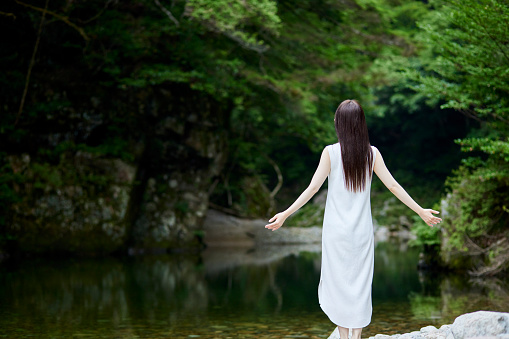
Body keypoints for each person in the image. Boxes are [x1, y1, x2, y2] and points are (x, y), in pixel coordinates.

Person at [265, 99, 442, 339]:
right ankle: (356, 337)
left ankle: (345, 336)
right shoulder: (372, 154)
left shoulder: (330, 152)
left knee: (338, 284)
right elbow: (392, 185)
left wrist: (285, 213)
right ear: (361, 124)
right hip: (361, 233)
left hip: (336, 233)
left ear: (339, 123)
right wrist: (420, 210)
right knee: (359, 285)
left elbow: (313, 188)